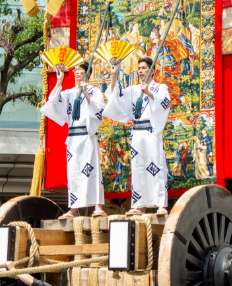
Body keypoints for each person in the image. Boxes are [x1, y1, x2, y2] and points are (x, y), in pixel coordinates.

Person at [105, 57, 171, 215]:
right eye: (139, 68)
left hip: (151, 131)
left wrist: (148, 92)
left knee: (157, 166)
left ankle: (161, 204)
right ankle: (139, 205)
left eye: (144, 68)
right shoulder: (133, 90)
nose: (140, 71)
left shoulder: (160, 88)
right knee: (138, 167)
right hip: (137, 132)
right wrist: (114, 75)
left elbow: (165, 103)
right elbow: (116, 96)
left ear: (152, 70)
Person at [42, 62, 106, 219]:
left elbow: (100, 110)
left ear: (87, 73)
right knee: (74, 173)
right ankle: (74, 208)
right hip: (72, 137)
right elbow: (53, 101)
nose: (77, 72)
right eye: (75, 70)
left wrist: (86, 94)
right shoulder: (69, 93)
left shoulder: (94, 91)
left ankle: (98, 206)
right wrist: (59, 81)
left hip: (87, 136)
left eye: (80, 70)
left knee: (92, 170)